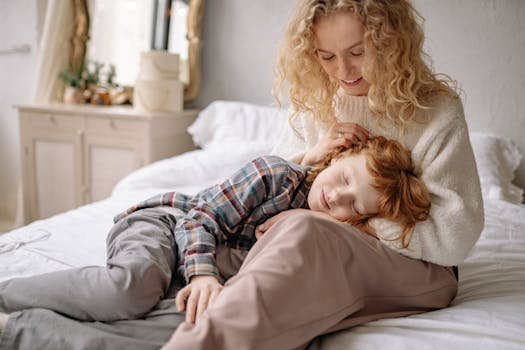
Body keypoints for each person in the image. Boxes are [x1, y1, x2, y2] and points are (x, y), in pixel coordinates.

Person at [161, 0, 483, 349]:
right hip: (320, 251)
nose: (343, 71)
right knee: (282, 255)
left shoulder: (436, 110)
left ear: (390, 42)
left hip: (417, 265)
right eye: (326, 57)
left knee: (305, 231)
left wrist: (338, 224)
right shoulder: (318, 102)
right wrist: (311, 158)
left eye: (357, 52)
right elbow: (274, 192)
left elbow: (455, 235)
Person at [0, 136, 429, 347]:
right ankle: (7, 296)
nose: (336, 196)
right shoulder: (275, 176)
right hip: (167, 225)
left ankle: (22, 332)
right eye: (345, 179)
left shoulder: (323, 237)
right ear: (335, 157)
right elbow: (199, 217)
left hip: (195, 271)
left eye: (351, 204)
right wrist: (203, 274)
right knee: (130, 288)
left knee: (177, 330)